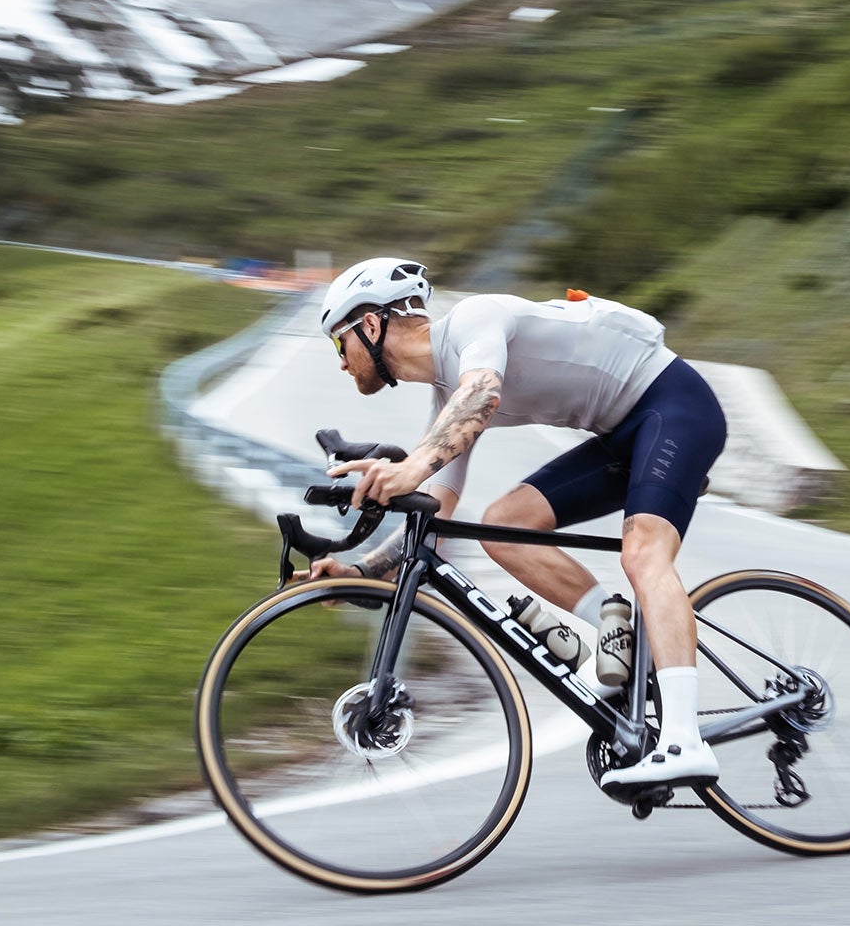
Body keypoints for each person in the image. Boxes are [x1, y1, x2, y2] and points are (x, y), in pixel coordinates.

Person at [297, 256, 728, 790]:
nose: (341, 363)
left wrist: (411, 466)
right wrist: (359, 572)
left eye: (339, 344)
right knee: (502, 524)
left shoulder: (475, 321)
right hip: (623, 434)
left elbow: (483, 395)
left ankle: (685, 741)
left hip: (675, 405)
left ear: (369, 324)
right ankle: (620, 631)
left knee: (643, 553)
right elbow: (435, 515)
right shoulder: (443, 399)